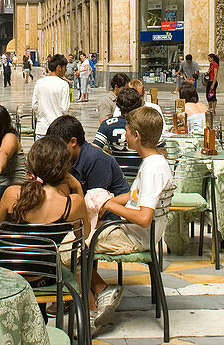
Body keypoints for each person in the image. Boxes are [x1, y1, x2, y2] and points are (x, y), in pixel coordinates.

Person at [89, 107, 173, 327]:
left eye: (127, 130)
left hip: (136, 237)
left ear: (136, 136)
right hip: (133, 231)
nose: (124, 134)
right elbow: (133, 196)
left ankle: (100, 295)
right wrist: (107, 200)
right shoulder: (152, 161)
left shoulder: (154, 168)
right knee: (84, 232)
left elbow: (144, 217)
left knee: (73, 246)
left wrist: (110, 206)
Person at [0, 135, 90, 278]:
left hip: (9, 278)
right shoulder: (72, 204)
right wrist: (77, 187)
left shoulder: (12, 194)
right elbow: (83, 236)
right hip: (45, 277)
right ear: (65, 168)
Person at [47, 115, 130, 198]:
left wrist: (76, 186)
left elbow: (95, 204)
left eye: (58, 146)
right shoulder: (68, 158)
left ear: (73, 142)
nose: (55, 151)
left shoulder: (96, 160)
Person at [94, 87, 167, 169]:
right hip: (141, 171)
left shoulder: (108, 124)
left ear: (118, 105)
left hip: (117, 174)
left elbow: (95, 149)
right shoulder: (146, 124)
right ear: (140, 104)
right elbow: (163, 152)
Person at [32, 54, 70, 137]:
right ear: (59, 68)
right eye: (65, 68)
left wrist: (42, 116)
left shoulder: (39, 82)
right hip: (58, 131)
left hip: (41, 129)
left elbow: (34, 105)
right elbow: (64, 109)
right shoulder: (63, 85)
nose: (65, 70)